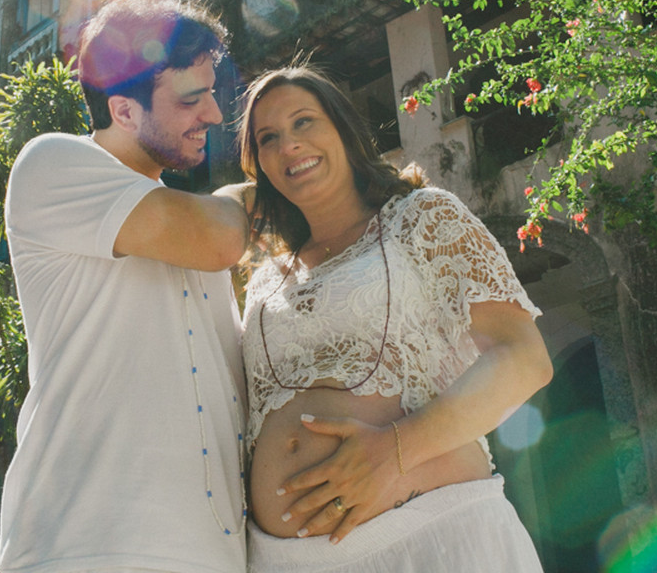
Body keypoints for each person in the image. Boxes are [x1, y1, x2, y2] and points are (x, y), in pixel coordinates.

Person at [236, 65, 553, 572]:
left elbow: (524, 360)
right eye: (267, 138)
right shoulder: (262, 281)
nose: (288, 145)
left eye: (303, 122)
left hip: (432, 538)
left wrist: (394, 451)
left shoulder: (423, 217)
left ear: (343, 128)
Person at [0, 0, 252, 573]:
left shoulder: (191, 217)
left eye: (211, 93)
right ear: (124, 111)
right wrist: (256, 193)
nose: (213, 115)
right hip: (81, 546)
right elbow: (219, 240)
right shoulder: (51, 165)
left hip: (214, 555)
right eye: (192, 99)